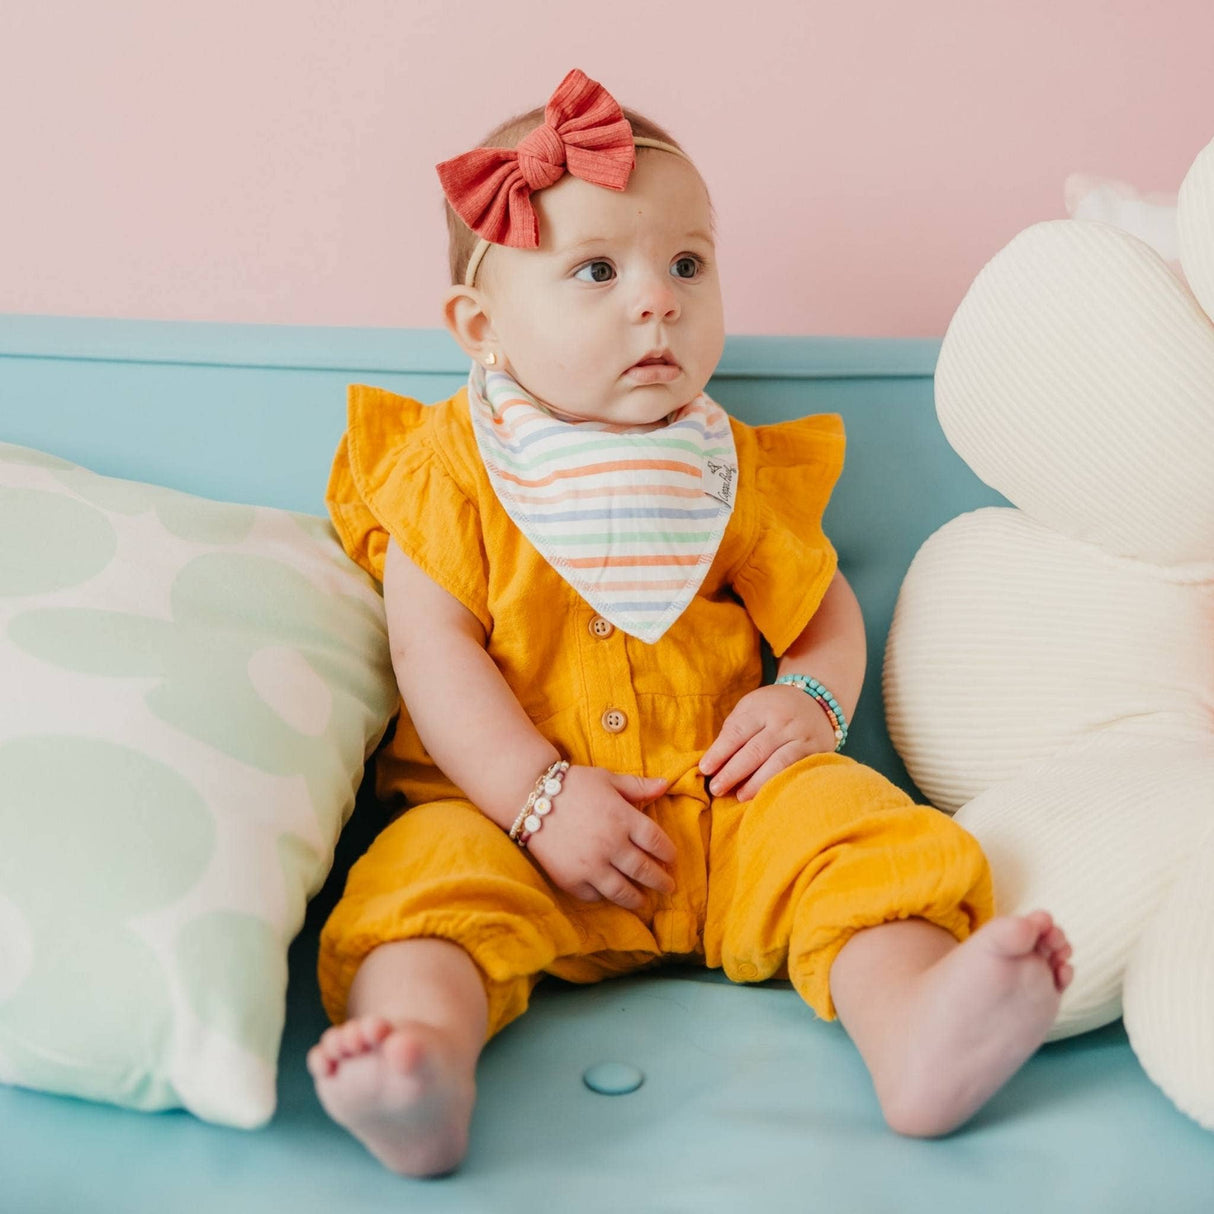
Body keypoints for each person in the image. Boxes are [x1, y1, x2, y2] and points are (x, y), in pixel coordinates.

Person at [306, 68, 1073, 1176]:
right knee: (420, 883)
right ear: (480, 325)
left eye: (685, 263)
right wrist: (534, 794)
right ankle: (419, 1060)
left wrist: (806, 698)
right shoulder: (451, 470)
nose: (656, 299)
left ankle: (911, 1022)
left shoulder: (727, 465)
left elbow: (819, 613)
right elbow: (433, 652)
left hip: (721, 815)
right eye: (596, 270)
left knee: (850, 826)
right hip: (514, 830)